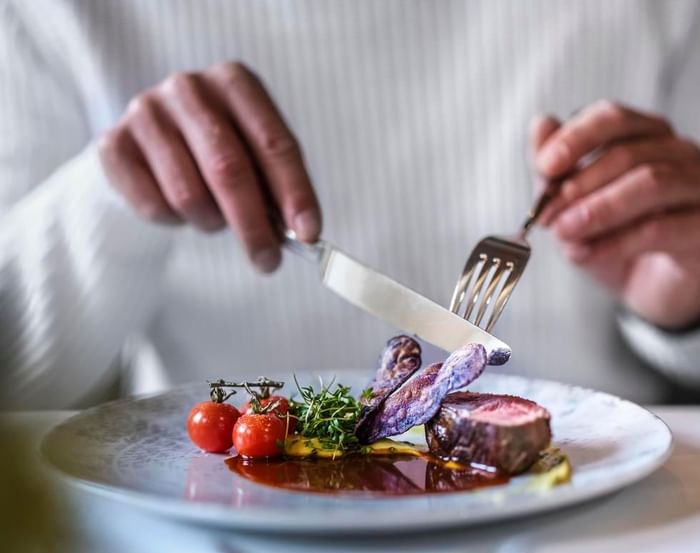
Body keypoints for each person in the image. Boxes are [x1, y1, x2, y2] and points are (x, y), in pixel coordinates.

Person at [1, 0, 699, 410]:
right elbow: (16, 389)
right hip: (204, 539)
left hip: (604, 532)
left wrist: (686, 307)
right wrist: (106, 201)